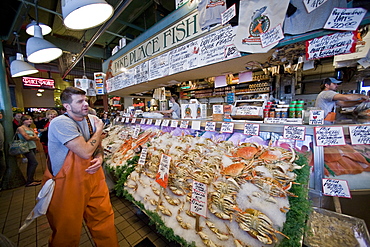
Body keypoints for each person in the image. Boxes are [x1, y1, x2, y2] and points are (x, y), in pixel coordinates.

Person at [46, 87, 118, 246]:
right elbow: (85, 152)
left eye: (85, 100)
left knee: (104, 219)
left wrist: (100, 158)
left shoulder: (91, 119)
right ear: (67, 106)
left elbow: (97, 147)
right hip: (67, 184)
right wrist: (99, 130)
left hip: (94, 179)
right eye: (80, 101)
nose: (85, 104)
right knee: (67, 229)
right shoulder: (60, 123)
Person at [17, 115, 40, 187]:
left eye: (30, 119)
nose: (30, 121)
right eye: (27, 119)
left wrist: (32, 137)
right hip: (26, 147)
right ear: (23, 121)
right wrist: (34, 137)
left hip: (32, 146)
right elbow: (26, 137)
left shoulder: (30, 128)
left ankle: (31, 179)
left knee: (31, 163)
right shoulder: (20, 128)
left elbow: (37, 138)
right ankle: (29, 181)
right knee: (34, 163)